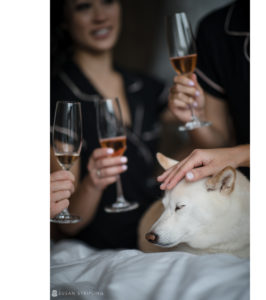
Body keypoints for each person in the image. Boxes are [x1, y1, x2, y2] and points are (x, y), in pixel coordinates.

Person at [50, 0, 167, 249]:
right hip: (105, 249)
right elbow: (68, 224)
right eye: (84, 7)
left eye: (108, 1)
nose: (101, 16)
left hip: (158, 231)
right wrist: (93, 183)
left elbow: (207, 139)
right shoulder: (59, 97)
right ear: (64, 21)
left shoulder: (146, 87)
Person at [158, 0, 250, 190]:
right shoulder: (216, 30)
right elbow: (220, 143)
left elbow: (226, 154)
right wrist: (196, 118)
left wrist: (236, 156)